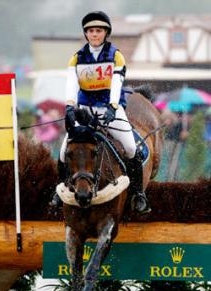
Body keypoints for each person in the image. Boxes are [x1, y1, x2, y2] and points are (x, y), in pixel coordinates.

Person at [50, 11, 150, 214]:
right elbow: (71, 85)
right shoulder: (76, 59)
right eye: (91, 31)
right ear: (86, 34)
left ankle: (139, 194)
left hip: (110, 109)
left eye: (98, 31)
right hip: (85, 110)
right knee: (63, 152)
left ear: (106, 33)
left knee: (132, 149)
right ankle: (60, 192)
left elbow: (116, 83)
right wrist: (70, 107)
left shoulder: (116, 56)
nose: (94, 35)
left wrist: (113, 106)